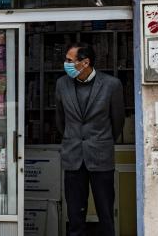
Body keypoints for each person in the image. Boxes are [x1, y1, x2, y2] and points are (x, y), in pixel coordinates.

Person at [55, 42, 125, 236]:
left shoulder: (111, 85)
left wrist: (102, 141)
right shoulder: (62, 84)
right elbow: (60, 120)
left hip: (101, 157)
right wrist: (72, 138)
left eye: (69, 60)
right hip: (73, 157)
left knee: (105, 214)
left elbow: (117, 121)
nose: (65, 63)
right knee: (75, 216)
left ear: (84, 63)